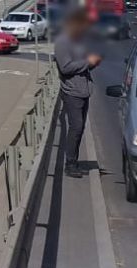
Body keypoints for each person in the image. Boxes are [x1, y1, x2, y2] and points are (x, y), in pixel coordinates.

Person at [54, 7, 101, 177]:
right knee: (77, 126)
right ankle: (70, 164)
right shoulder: (62, 43)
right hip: (72, 92)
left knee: (79, 128)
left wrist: (94, 61)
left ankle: (74, 161)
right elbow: (66, 68)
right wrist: (88, 62)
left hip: (83, 90)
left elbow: (83, 64)